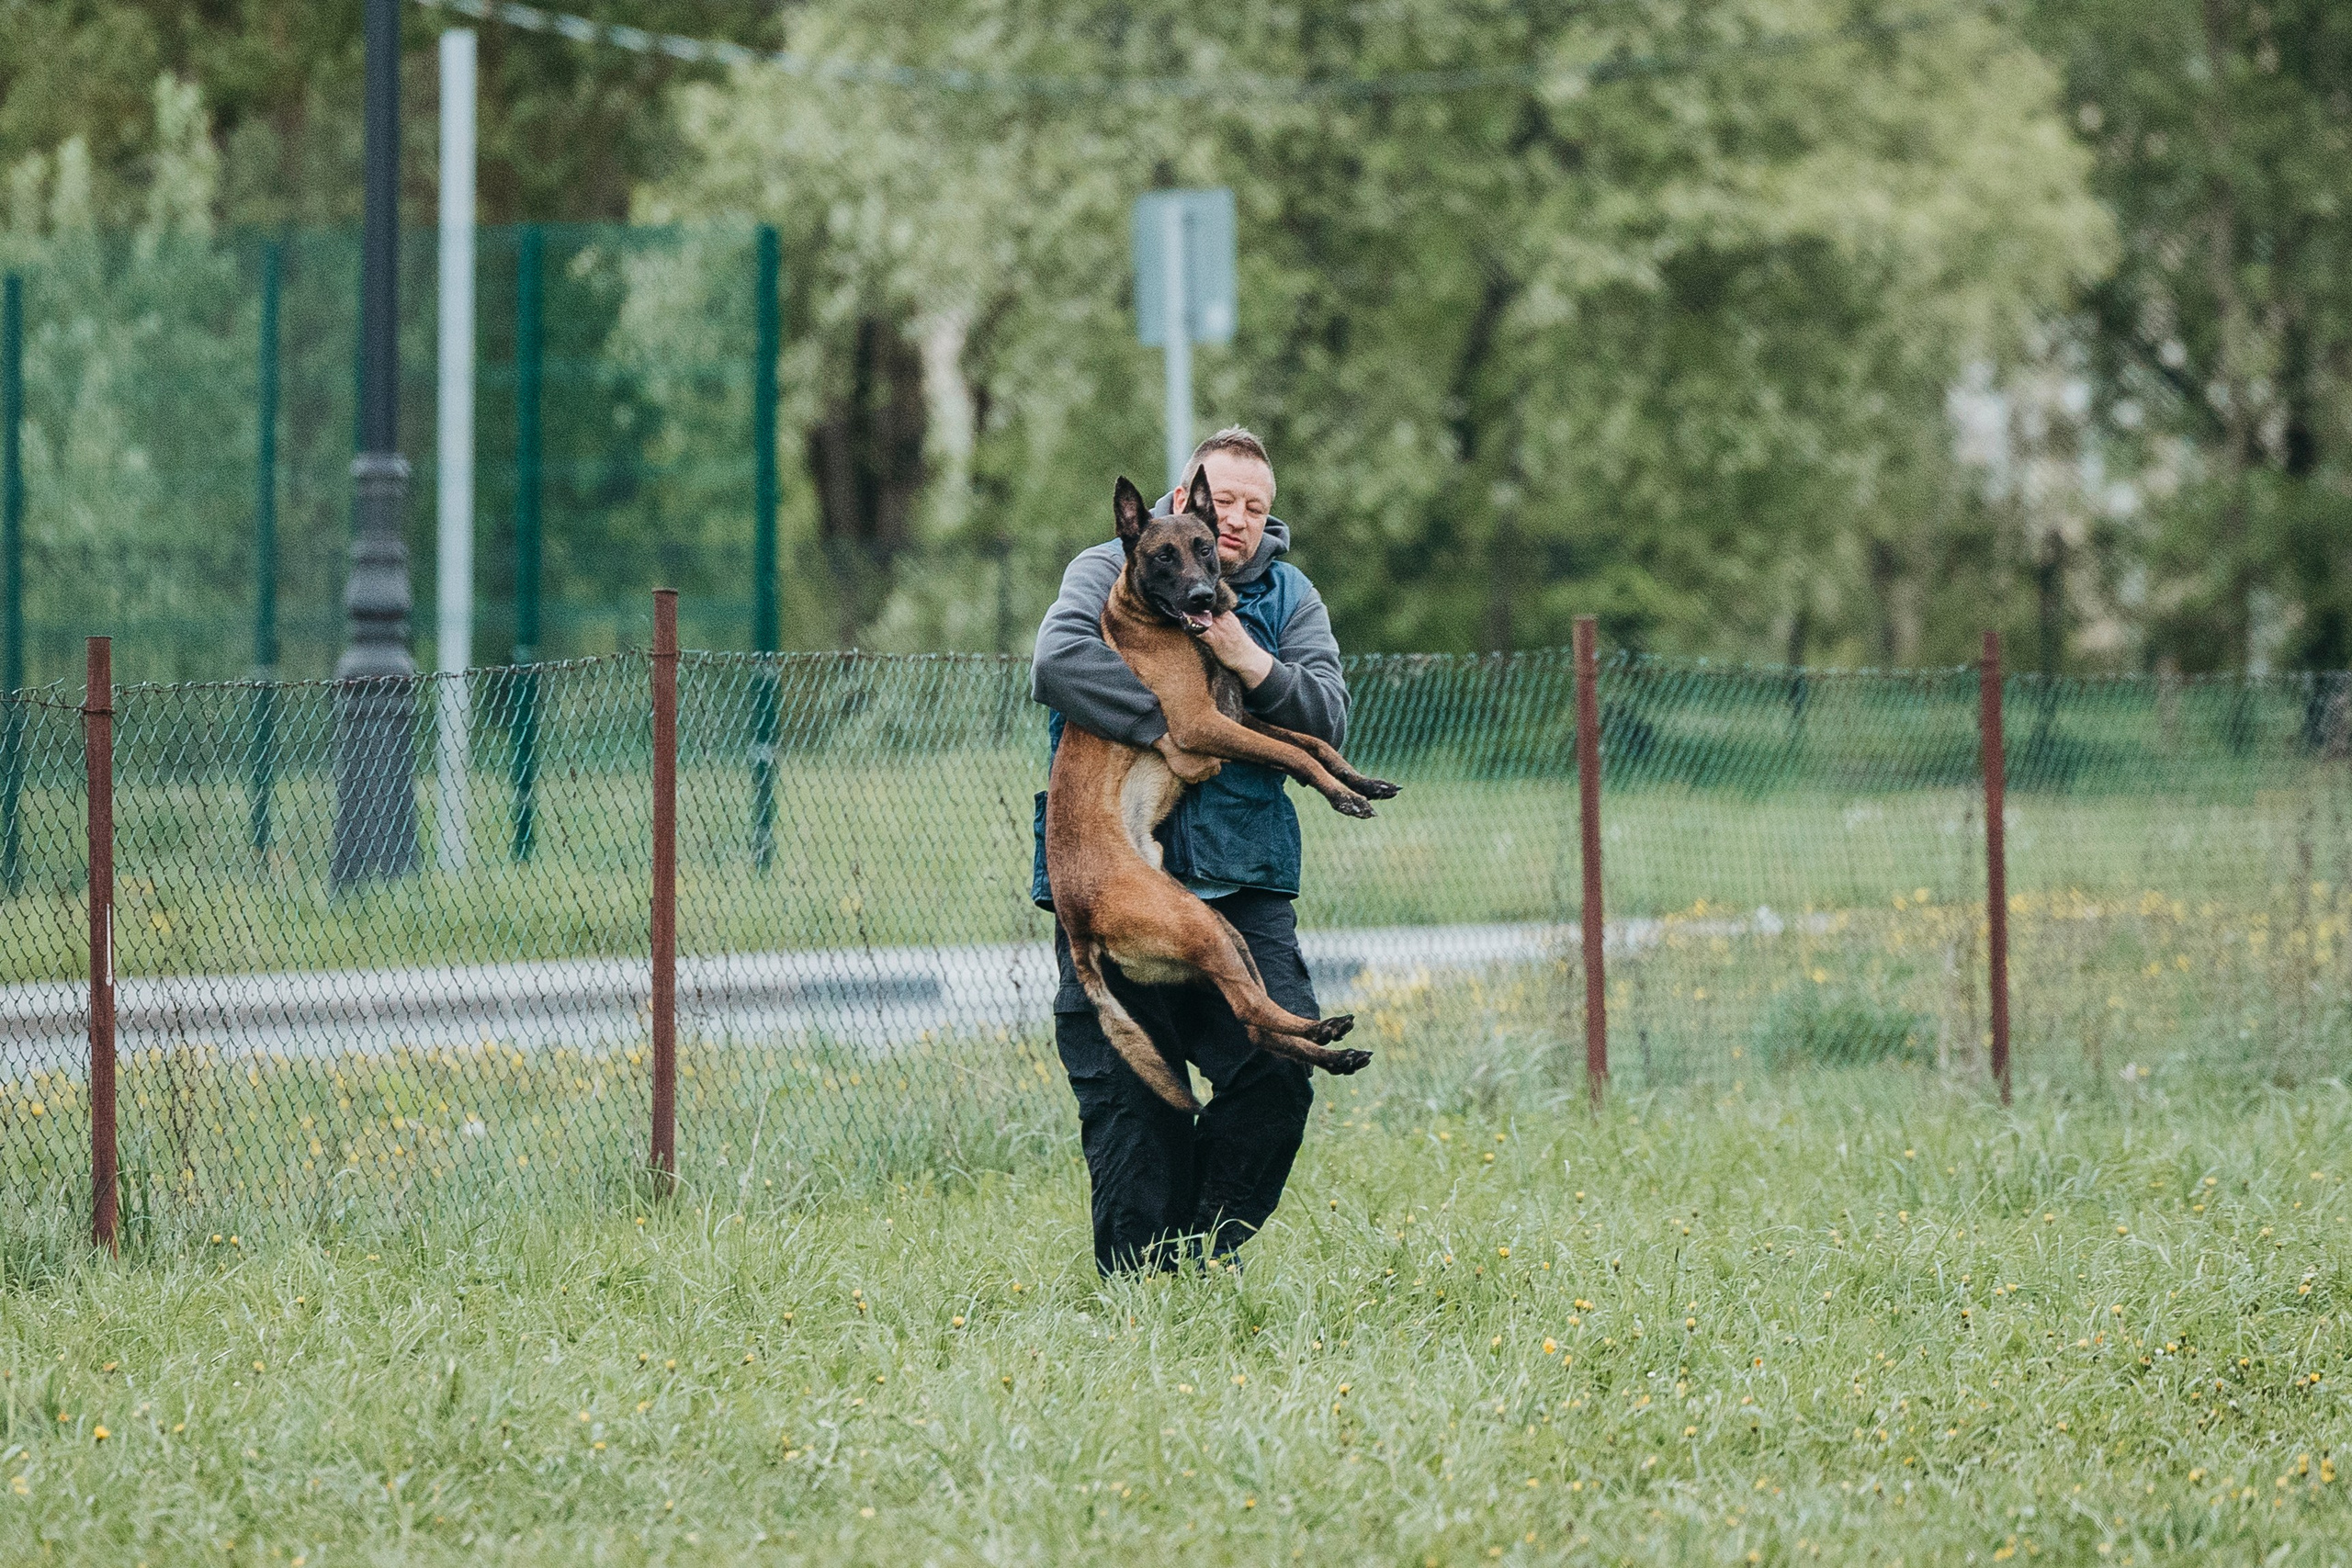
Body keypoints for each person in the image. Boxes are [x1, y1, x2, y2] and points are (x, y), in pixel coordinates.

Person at [1030, 427, 1352, 1274]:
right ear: (1185, 497)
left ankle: (1201, 1258)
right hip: (1109, 873)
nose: (1237, 520)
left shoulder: (1288, 599)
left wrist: (1247, 657)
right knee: (1136, 1117)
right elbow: (1056, 662)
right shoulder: (1115, 566)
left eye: (1254, 506)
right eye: (1224, 498)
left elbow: (1327, 717)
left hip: (1243, 882)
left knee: (1275, 1081)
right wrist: (1169, 726)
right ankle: (1141, 1297)